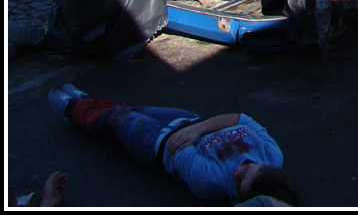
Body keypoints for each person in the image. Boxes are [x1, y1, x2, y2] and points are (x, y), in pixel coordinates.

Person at [48, 85, 300, 206]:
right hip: (190, 122)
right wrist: (198, 129)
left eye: (238, 183)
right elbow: (241, 118)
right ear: (265, 166)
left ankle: (71, 106)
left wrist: (196, 131)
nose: (237, 172)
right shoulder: (272, 155)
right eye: (246, 169)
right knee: (131, 109)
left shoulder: (210, 181)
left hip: (156, 141)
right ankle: (86, 100)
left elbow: (176, 145)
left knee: (115, 119)